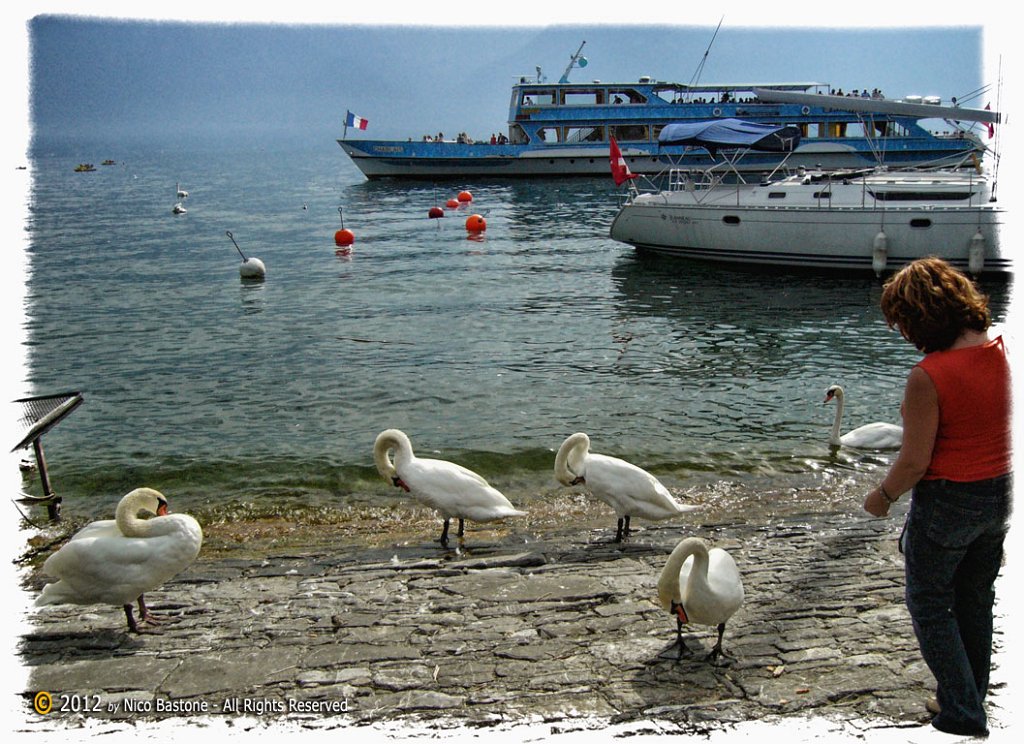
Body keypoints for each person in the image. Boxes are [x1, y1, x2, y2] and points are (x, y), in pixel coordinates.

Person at [863, 257, 1011, 737]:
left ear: (921, 316)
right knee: (975, 598)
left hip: (948, 500)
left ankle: (963, 713)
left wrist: (882, 497)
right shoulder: (1005, 347)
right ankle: (968, 697)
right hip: (1002, 492)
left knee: (929, 602)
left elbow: (915, 462)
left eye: (902, 322)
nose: (903, 333)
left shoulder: (930, 375)